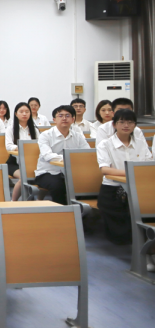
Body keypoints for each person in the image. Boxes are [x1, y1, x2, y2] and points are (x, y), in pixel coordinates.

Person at [97, 109, 153, 245]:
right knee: (122, 227)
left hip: (139, 187)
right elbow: (105, 169)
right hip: (114, 188)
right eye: (121, 122)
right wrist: (131, 172)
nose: (126, 125)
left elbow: (149, 164)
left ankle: (147, 241)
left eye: (130, 122)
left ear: (135, 125)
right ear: (114, 124)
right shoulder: (105, 144)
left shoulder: (140, 143)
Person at [35, 105, 91, 205]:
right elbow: (47, 155)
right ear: (54, 120)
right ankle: (63, 211)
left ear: (73, 119)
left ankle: (79, 209)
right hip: (48, 172)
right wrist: (70, 158)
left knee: (87, 183)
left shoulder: (78, 136)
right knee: (58, 185)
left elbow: (87, 153)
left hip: (71, 172)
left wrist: (72, 159)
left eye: (67, 115)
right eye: (60, 116)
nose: (64, 118)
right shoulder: (45, 135)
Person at [5, 103, 38, 202]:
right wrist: (24, 148)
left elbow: (40, 144)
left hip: (32, 162)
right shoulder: (11, 129)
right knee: (23, 176)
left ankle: (37, 200)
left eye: (27, 112)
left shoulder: (34, 129)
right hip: (14, 163)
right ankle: (13, 201)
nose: (24, 114)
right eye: (21, 112)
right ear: (16, 114)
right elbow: (9, 146)